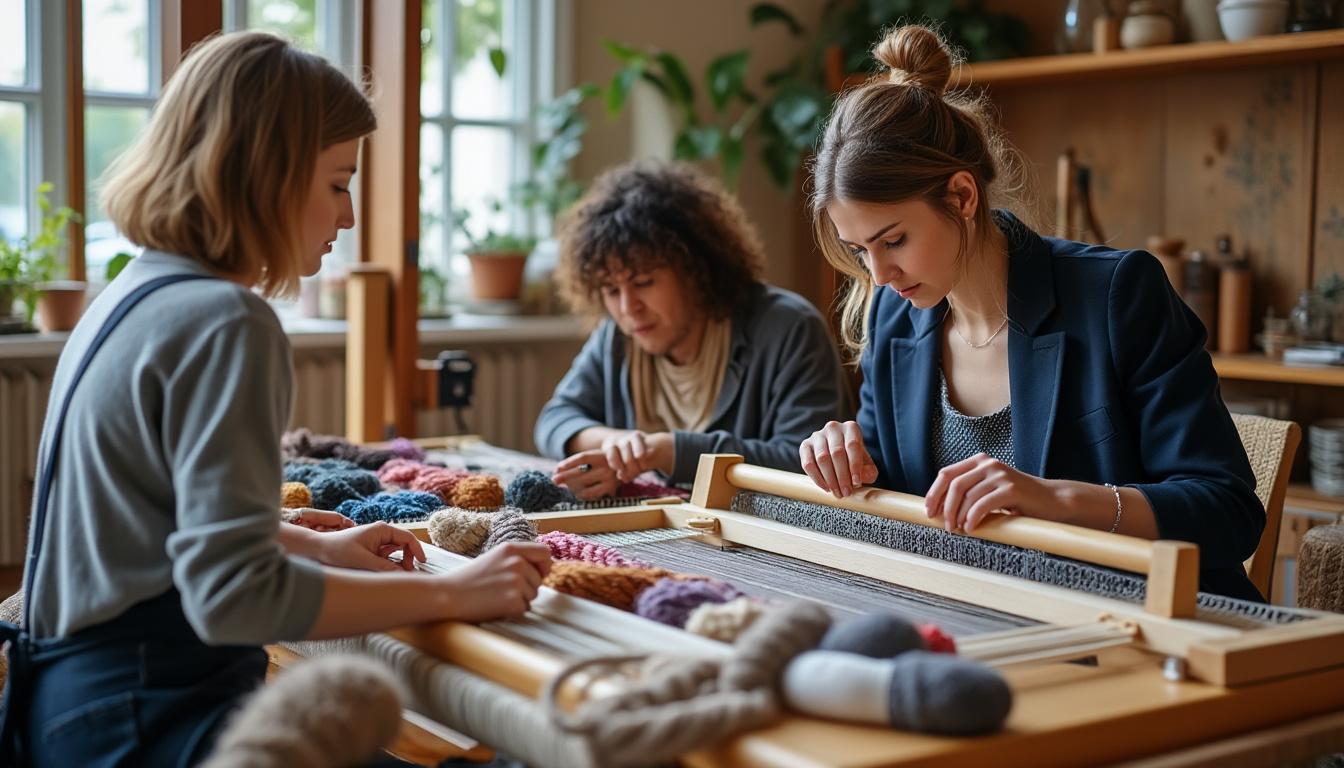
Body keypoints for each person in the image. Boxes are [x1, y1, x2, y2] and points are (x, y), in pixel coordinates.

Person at [0, 32, 550, 766]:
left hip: (64, 712)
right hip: (148, 721)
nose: (348, 216)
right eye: (337, 182)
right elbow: (235, 598)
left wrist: (310, 545)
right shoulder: (225, 320)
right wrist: (458, 595)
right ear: (268, 174)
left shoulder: (130, 295)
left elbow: (146, 522)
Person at [797, 25, 1265, 601]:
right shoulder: (892, 319)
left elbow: (1228, 511)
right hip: (986, 622)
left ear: (963, 196)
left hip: (1146, 627)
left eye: (893, 241)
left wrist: (1056, 499)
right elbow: (892, 495)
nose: (879, 276)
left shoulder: (1118, 294)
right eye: (858, 250)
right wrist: (844, 456)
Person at [535, 161, 850, 500]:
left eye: (644, 282)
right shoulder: (618, 335)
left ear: (695, 269)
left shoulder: (789, 328)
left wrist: (670, 451)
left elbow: (804, 463)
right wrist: (612, 443)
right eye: (611, 290)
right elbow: (554, 419)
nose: (628, 307)